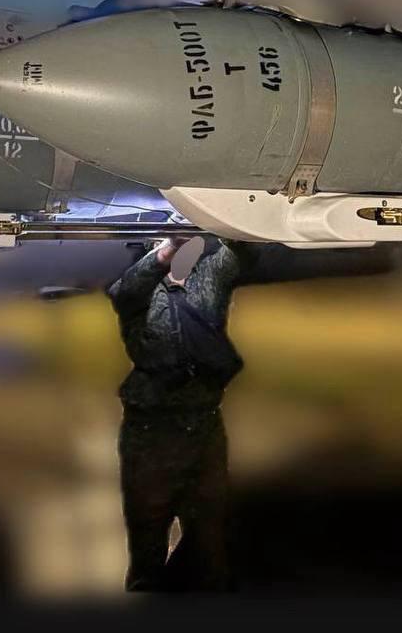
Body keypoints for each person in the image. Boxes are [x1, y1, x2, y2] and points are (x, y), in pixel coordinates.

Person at [106, 235, 260, 593]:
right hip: (152, 427)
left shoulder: (207, 279)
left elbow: (242, 254)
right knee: (148, 526)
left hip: (203, 421)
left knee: (211, 528)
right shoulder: (137, 293)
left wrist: (223, 223)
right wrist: (171, 244)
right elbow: (129, 287)